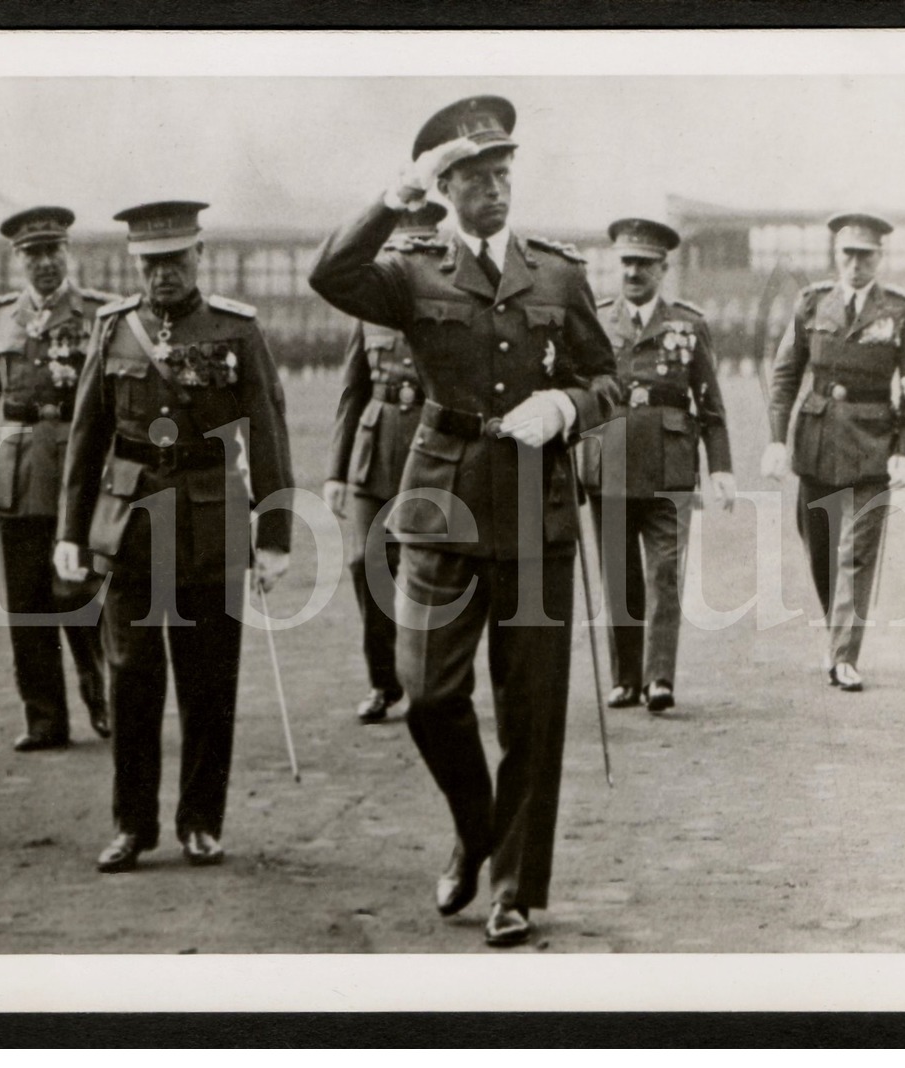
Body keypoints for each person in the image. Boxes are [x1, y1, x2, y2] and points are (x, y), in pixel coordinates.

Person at [309, 96, 620, 947]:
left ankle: (513, 886)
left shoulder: (556, 274)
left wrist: (563, 405)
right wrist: (389, 199)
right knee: (428, 693)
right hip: (439, 498)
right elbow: (329, 276)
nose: (494, 189)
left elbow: (609, 378)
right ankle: (475, 828)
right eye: (475, 176)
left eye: (502, 173)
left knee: (531, 711)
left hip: (534, 507)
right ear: (441, 187)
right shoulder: (410, 268)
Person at [56, 200, 294, 874]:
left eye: (174, 260)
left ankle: (200, 823)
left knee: (208, 681)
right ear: (137, 263)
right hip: (130, 528)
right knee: (131, 678)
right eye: (150, 262)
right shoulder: (113, 330)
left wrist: (273, 535)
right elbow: (86, 439)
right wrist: (70, 534)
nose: (162, 274)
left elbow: (268, 435)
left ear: (199, 256)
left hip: (211, 523)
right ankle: (133, 825)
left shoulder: (236, 330)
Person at [0, 206, 111, 751]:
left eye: (52, 251)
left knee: (79, 592)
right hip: (15, 477)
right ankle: (44, 719)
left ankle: (98, 686)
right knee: (26, 604)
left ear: (68, 253)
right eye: (32, 255)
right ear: (18, 261)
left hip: (78, 474)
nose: (43, 264)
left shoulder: (99, 314)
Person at [762, 212, 905, 693]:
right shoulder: (811, 304)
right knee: (819, 548)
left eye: (866, 255)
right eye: (848, 254)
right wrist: (776, 438)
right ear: (837, 256)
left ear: (880, 257)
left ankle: (842, 658)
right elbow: (786, 375)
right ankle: (840, 632)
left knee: (857, 553)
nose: (856, 264)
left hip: (874, 445)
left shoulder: (899, 311)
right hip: (815, 443)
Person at [580, 218, 735, 714]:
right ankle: (626, 678)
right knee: (619, 577)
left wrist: (721, 468)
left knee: (665, 575)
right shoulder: (597, 321)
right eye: (626, 263)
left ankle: (660, 678)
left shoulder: (688, 325)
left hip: (670, 470)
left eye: (644, 264)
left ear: (663, 269)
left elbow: (710, 406)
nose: (633, 272)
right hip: (610, 466)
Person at [323, 202, 448, 725]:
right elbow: (352, 391)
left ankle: (430, 682)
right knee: (364, 564)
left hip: (431, 448)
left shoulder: (448, 303)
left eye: (416, 246)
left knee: (432, 570)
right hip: (373, 453)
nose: (404, 256)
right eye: (397, 247)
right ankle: (383, 683)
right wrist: (335, 470)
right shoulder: (369, 307)